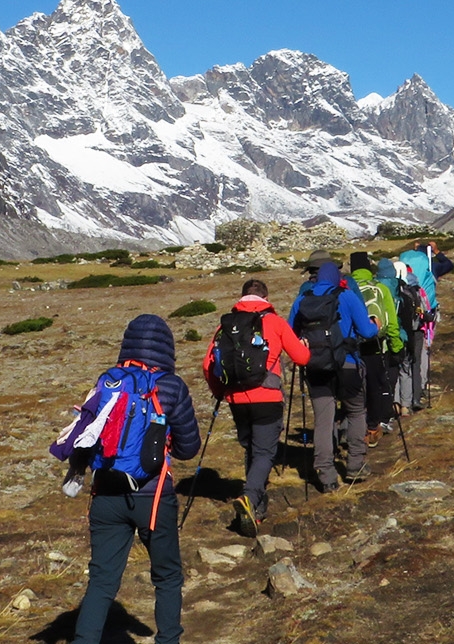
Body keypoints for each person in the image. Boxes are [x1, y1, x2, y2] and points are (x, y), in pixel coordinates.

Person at [56, 315, 201, 644]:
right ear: (167, 347)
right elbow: (189, 448)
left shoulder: (108, 381)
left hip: (105, 493)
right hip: (153, 497)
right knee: (166, 576)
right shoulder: (171, 386)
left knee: (102, 580)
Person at [202, 279, 309, 537]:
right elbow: (302, 358)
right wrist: (304, 347)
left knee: (250, 448)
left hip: (236, 399)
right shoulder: (275, 322)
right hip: (267, 397)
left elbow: (208, 366)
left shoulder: (225, 325)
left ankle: (257, 511)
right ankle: (249, 497)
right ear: (265, 297)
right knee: (264, 452)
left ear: (242, 297)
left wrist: (221, 392)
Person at [290, 251, 379, 490]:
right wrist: (375, 326)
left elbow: (291, 334)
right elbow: (368, 332)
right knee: (356, 412)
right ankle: (355, 466)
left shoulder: (302, 299)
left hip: (316, 366)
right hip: (348, 363)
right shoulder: (348, 296)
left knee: (323, 420)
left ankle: (326, 476)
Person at [347, 252, 401, 447]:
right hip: (377, 347)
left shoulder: (347, 289)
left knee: (355, 390)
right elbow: (391, 322)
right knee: (375, 387)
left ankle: (354, 426)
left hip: (352, 347)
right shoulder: (380, 289)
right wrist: (396, 346)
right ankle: (372, 428)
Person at [394, 243, 444, 411]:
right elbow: (425, 313)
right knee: (415, 362)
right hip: (416, 330)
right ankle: (415, 398)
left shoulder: (391, 289)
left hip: (397, 331)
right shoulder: (417, 288)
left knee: (399, 366)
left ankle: (398, 402)